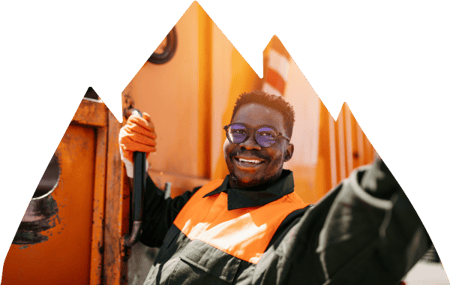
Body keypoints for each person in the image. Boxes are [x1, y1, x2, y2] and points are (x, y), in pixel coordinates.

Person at [119, 90, 431, 285]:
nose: (249, 145)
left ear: (288, 152)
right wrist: (135, 160)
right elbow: (153, 224)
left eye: (267, 135)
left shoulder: (291, 221)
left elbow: (327, 256)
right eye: (239, 132)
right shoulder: (206, 195)